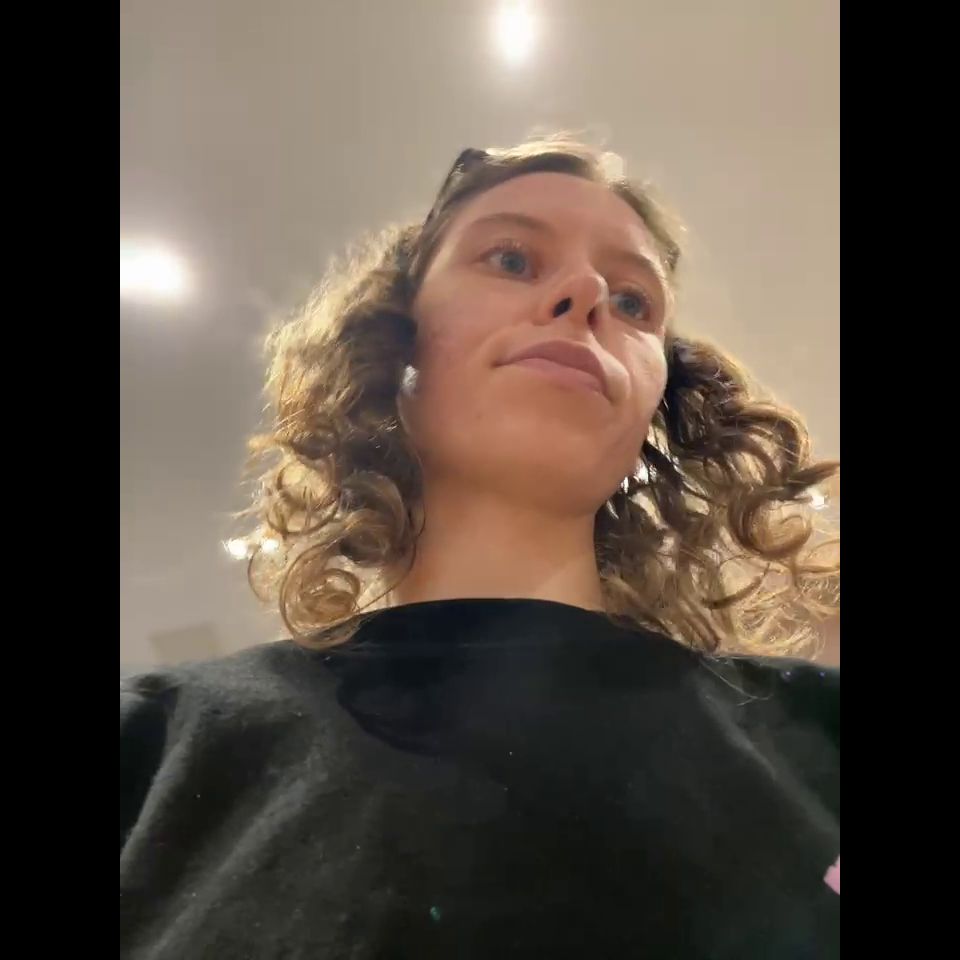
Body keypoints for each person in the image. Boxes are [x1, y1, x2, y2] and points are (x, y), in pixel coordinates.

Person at [120, 135, 839, 959]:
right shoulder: (149, 743)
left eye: (634, 302)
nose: (586, 293)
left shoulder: (824, 733)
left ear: (654, 411)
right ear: (391, 350)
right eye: (512, 259)